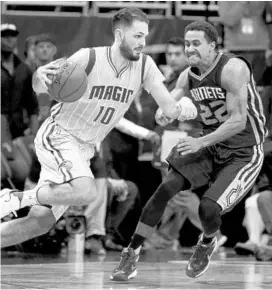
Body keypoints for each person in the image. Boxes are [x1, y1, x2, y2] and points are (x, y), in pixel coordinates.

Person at [0, 8, 197, 249]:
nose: (142, 43)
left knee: (40, 222)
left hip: (85, 148)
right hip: (60, 134)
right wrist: (39, 77)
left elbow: (167, 106)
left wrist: (183, 108)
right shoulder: (88, 57)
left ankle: (20, 203)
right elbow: (41, 86)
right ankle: (15, 197)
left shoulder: (145, 65)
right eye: (137, 36)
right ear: (119, 35)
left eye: (144, 36)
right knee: (87, 191)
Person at [110, 20, 267, 282]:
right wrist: (165, 113)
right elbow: (172, 103)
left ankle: (206, 242)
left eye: (196, 43)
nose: (190, 48)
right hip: (209, 142)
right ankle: (131, 253)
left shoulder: (233, 68)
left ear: (213, 46)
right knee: (166, 189)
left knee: (207, 209)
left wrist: (200, 142)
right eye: (187, 43)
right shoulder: (188, 74)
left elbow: (238, 121)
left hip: (243, 150)